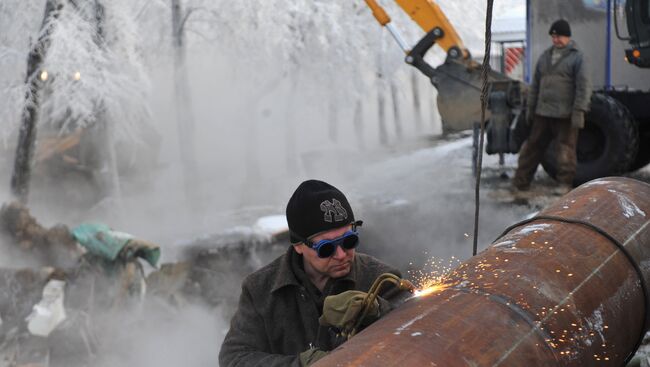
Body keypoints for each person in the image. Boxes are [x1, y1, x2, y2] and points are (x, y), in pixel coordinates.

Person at [219, 179, 410, 367]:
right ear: (299, 246)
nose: (342, 254)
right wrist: (302, 364)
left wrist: (377, 311)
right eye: (326, 248)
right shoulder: (260, 290)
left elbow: (417, 331)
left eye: (349, 241)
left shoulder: (380, 278)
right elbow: (233, 359)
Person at [513, 19, 591, 195]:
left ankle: (564, 184)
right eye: (554, 36)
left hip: (565, 114)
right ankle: (521, 182)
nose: (556, 40)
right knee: (532, 148)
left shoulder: (577, 57)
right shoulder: (545, 56)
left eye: (559, 36)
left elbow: (584, 87)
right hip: (543, 112)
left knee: (565, 150)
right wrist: (531, 109)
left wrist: (579, 111)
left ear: (568, 37)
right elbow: (535, 86)